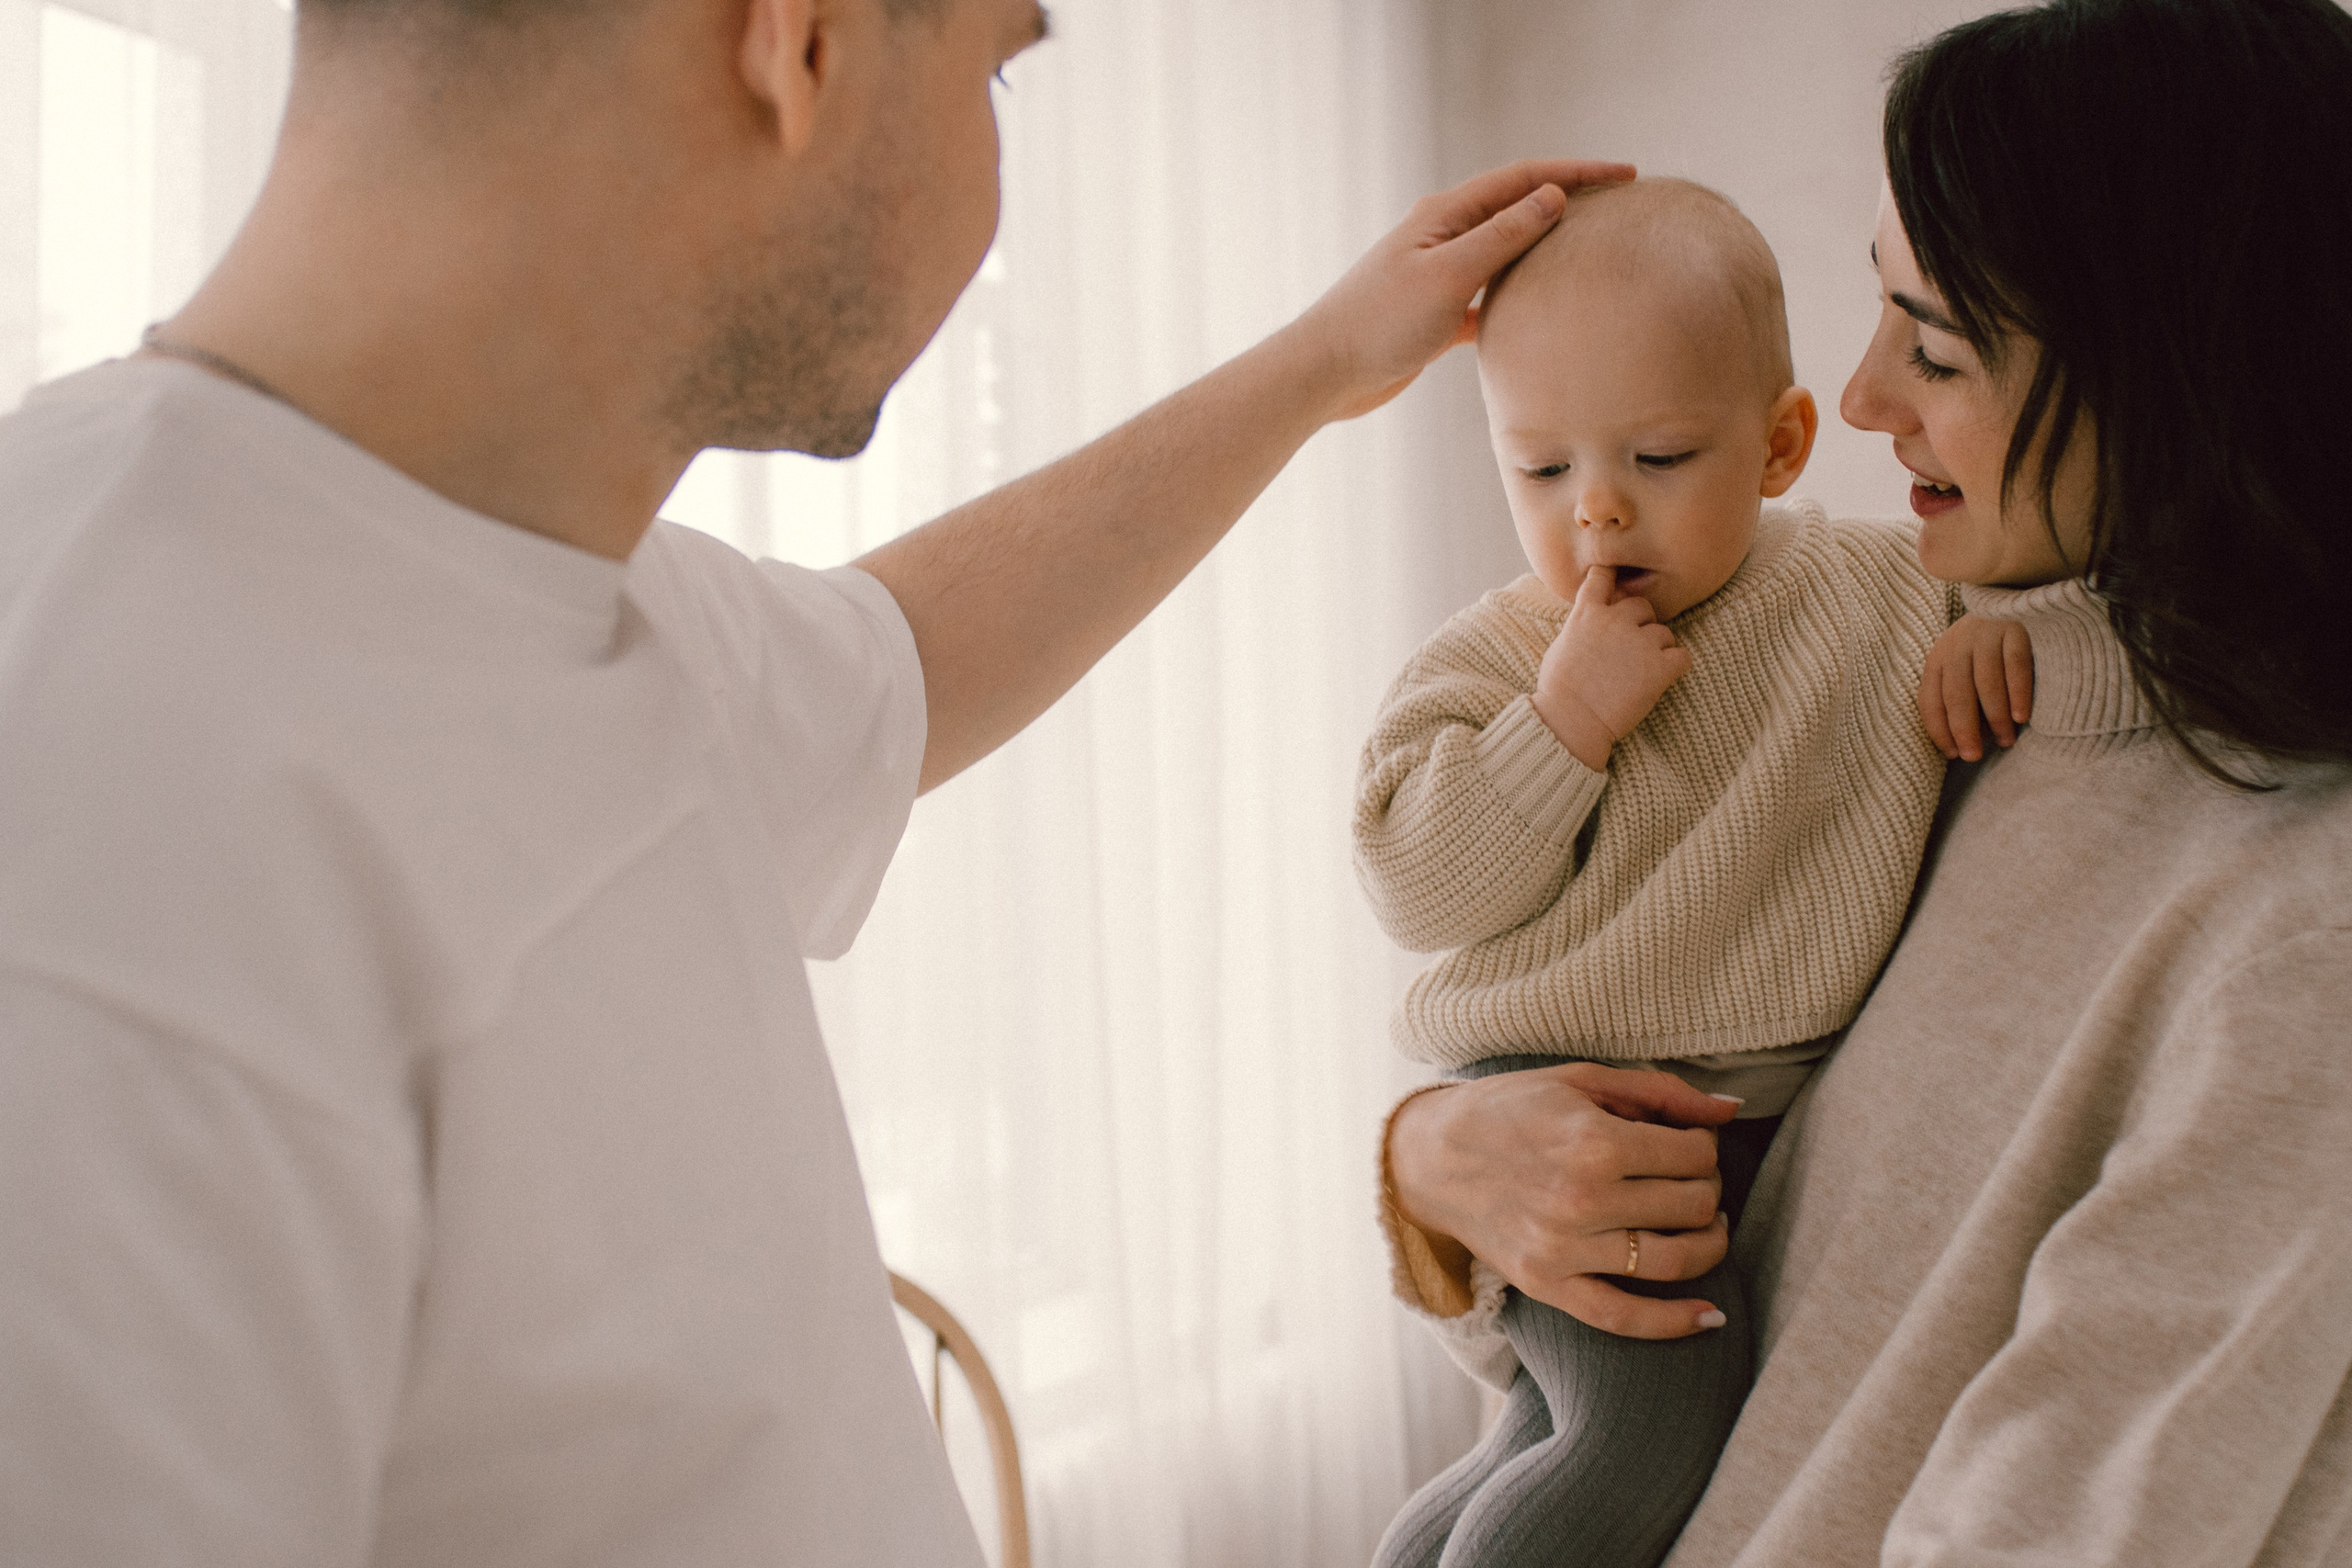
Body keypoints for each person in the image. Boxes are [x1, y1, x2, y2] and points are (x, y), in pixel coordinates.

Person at [0, 0, 1634, 1559]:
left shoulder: (546, 582)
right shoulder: (104, 796)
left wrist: (1323, 361)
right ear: (799, 42)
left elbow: (901, 659)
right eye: (997, 70)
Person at [1379, 0, 2352, 1562]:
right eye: (1880, 312)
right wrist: (1437, 1174)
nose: (1861, 398)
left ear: (2184, 385)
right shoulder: (1955, 724)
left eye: (1938, 346)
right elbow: (1722, 1305)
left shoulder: (2297, 931)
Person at [1356, 177, 2028, 1568]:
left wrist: (2000, 637)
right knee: (1637, 1444)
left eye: (1658, 460)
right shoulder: (1500, 657)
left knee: (1541, 1444)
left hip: (1730, 1135)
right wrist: (1561, 729)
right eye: (1540, 470)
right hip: (1568, 1119)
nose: (1595, 514)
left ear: (1780, 446)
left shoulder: (1885, 591)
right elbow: (1414, 887)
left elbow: (2073, 595)